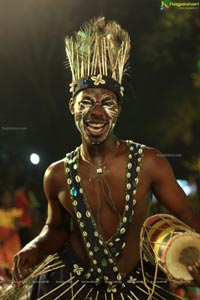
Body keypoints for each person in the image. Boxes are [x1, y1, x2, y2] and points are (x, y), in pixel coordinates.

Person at [11, 17, 200, 300]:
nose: (97, 112)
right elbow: (56, 228)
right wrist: (35, 247)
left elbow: (188, 219)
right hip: (70, 287)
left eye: (107, 103)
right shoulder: (57, 174)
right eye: (86, 101)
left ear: (119, 110)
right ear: (71, 106)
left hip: (140, 287)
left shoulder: (150, 162)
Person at [0, 189, 22, 279]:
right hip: (1, 239)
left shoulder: (15, 212)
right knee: (2, 260)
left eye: (9, 198)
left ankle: (15, 280)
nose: (7, 200)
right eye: (5, 198)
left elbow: (16, 228)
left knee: (12, 259)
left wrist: (6, 237)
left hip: (11, 240)